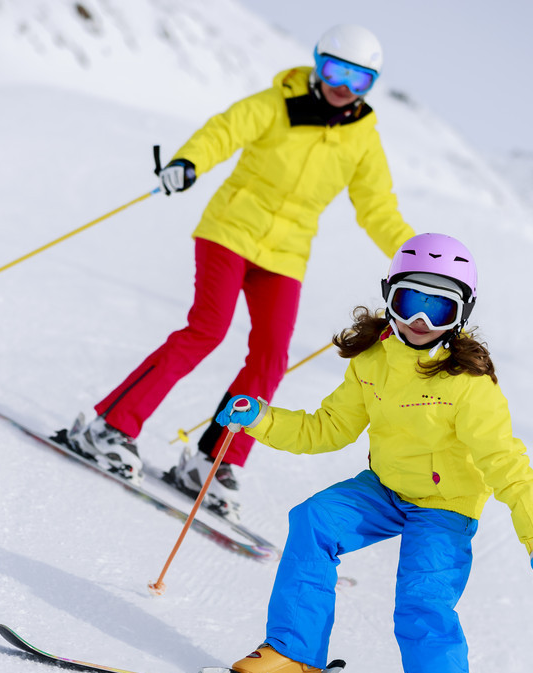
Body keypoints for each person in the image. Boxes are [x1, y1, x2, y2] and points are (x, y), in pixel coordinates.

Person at [213, 232, 533, 673]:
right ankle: (295, 662)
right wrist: (261, 418)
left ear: (462, 313)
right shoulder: (374, 359)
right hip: (384, 488)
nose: (422, 319)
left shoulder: (469, 384)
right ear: (389, 298)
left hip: (445, 507)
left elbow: (506, 463)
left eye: (439, 306)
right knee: (314, 519)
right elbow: (328, 428)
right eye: (410, 301)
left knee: (423, 602)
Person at [66, 24, 414, 516]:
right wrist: (188, 162)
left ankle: (212, 461)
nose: (342, 85)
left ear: (369, 86)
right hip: (230, 231)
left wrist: (415, 257)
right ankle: (110, 427)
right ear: (316, 64)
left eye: (358, 80)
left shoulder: (363, 142)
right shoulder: (276, 103)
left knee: (271, 354)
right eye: (335, 69)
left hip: (286, 255)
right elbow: (222, 131)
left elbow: (377, 208)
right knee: (207, 329)